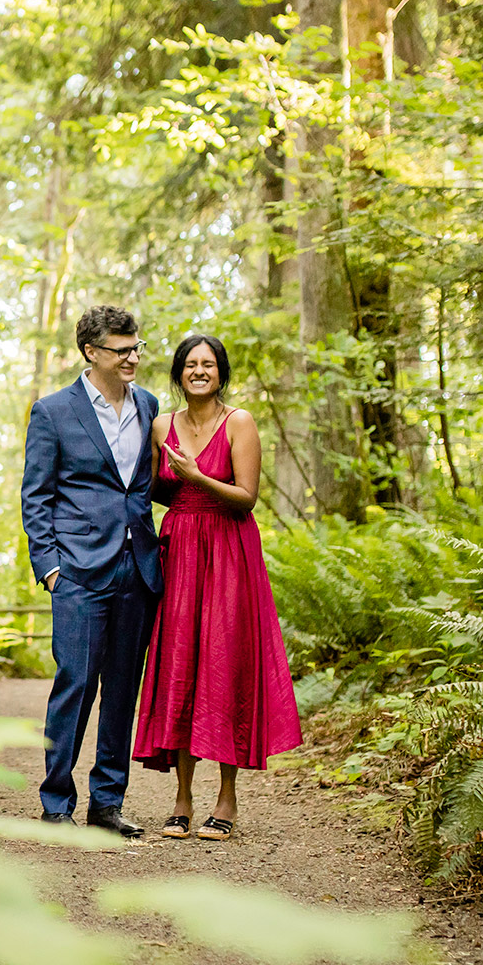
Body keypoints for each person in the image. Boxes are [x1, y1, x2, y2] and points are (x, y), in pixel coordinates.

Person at [132, 333, 301, 841]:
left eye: (208, 364)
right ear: (179, 373)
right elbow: (158, 490)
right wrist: (170, 480)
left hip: (228, 551)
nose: (198, 371)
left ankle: (225, 799)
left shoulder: (240, 422)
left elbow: (245, 498)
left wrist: (197, 476)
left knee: (223, 664)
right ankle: (181, 800)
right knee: (181, 663)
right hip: (180, 550)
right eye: (189, 364)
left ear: (220, 373)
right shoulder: (161, 424)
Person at [19, 305, 163, 837]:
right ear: (91, 352)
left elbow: (146, 483)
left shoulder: (148, 405)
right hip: (78, 572)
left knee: (123, 691)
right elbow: (36, 496)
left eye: (136, 347)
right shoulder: (53, 412)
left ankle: (107, 804)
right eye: (122, 349)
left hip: (138, 570)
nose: (133, 357)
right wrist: (50, 567)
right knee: (75, 686)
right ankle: (56, 803)